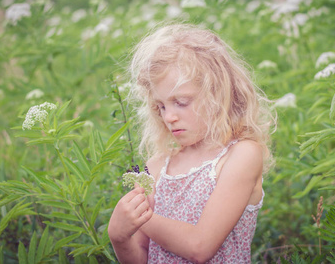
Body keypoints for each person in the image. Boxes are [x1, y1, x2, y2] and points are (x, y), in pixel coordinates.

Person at [108, 23, 276, 263]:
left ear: (217, 93)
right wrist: (119, 238)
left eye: (181, 102)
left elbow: (200, 246)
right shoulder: (156, 167)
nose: (168, 116)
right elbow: (142, 257)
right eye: (161, 106)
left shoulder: (241, 155)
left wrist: (142, 218)